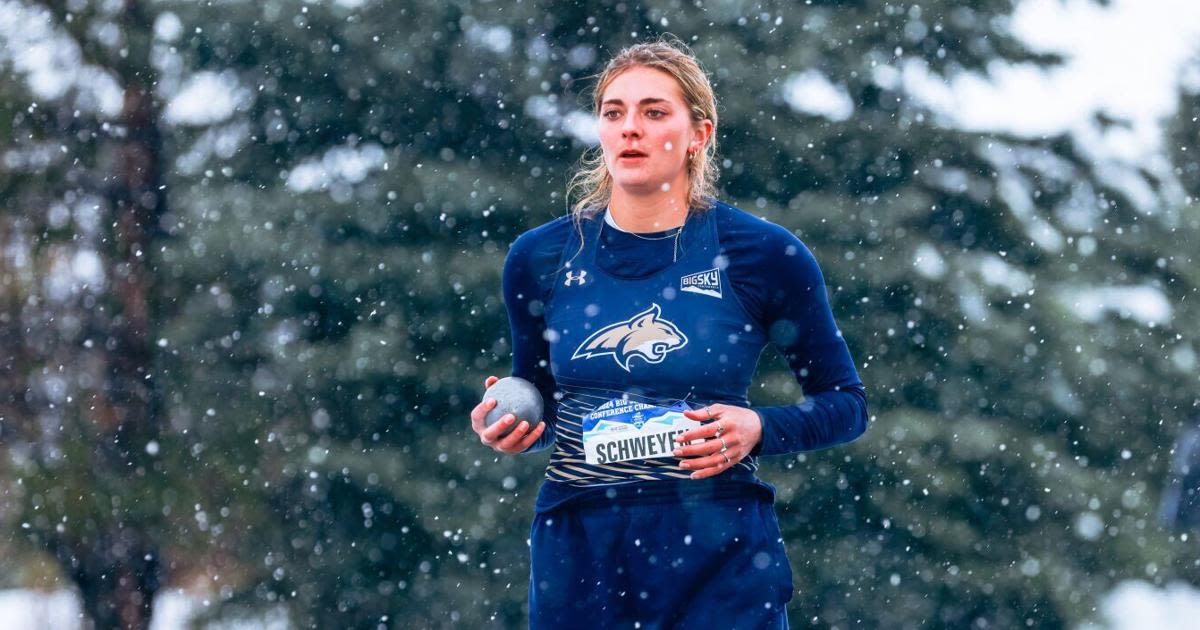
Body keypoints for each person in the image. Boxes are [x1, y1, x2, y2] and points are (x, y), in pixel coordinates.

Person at [469, 37, 869, 629]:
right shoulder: (540, 257)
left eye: (654, 112)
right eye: (614, 112)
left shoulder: (763, 253)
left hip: (719, 553)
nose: (630, 128)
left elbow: (846, 405)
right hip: (582, 550)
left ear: (698, 134)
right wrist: (512, 426)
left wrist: (760, 427)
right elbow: (544, 406)